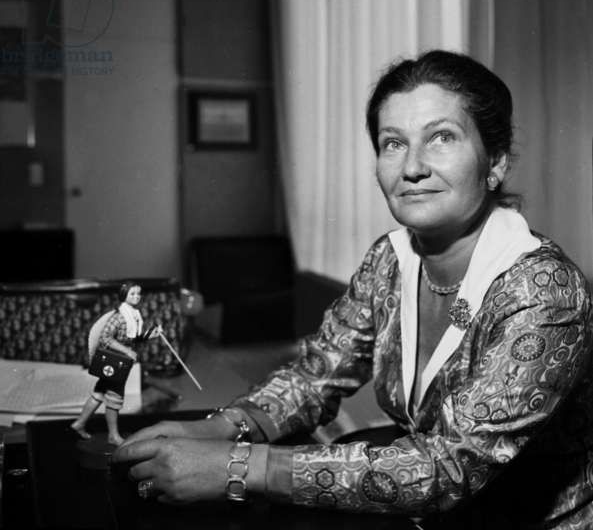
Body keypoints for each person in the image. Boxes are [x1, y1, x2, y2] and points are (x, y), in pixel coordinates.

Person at [112, 51, 593, 528]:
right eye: (393, 143)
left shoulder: (544, 291)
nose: (413, 167)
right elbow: (316, 376)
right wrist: (215, 428)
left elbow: (450, 466)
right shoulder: (390, 258)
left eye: (442, 137)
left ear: (495, 162)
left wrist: (239, 467)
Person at [71, 282, 160, 446]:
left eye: (138, 294)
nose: (136, 297)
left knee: (99, 393)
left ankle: (79, 423)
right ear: (124, 296)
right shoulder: (119, 317)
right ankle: (113, 435)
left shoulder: (134, 315)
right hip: (115, 363)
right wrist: (126, 351)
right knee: (115, 398)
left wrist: (150, 335)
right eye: (132, 294)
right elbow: (105, 337)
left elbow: (132, 338)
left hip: (122, 362)